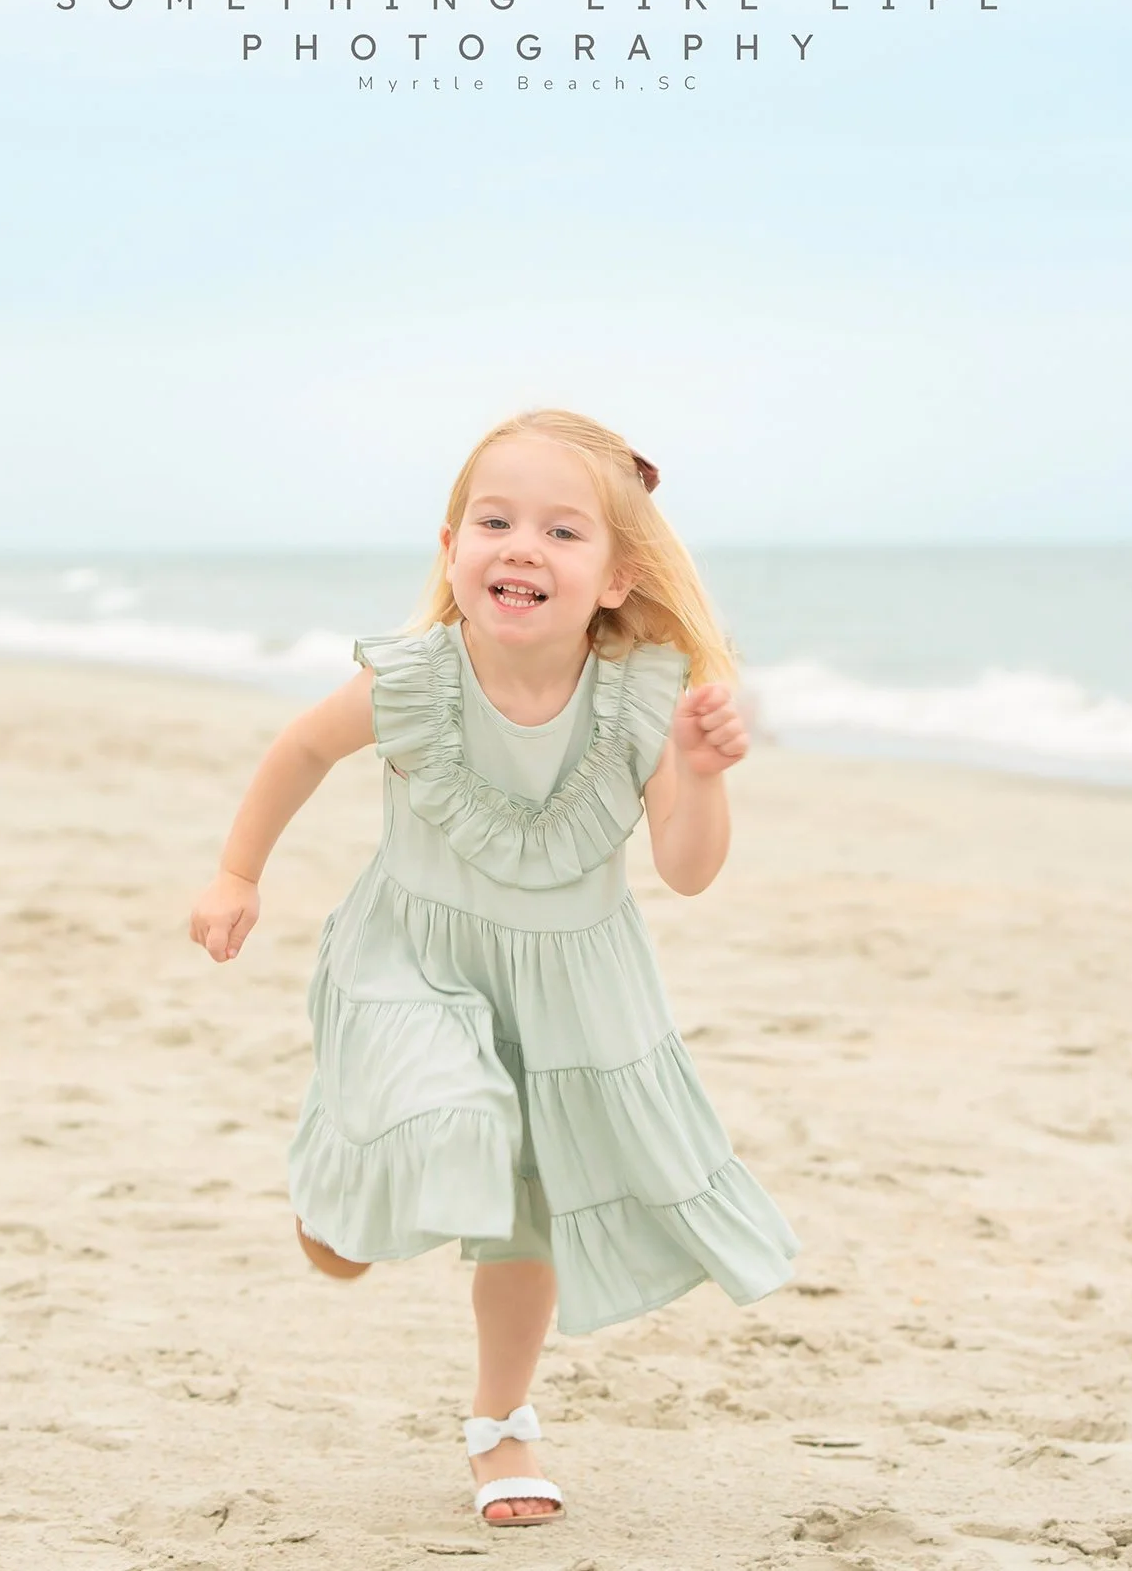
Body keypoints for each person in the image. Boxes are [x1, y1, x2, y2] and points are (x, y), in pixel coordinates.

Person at [186, 408, 803, 1527]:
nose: (521, 545)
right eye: (495, 520)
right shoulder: (418, 679)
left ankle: (500, 1423)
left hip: (569, 991)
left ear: (616, 578)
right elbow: (303, 749)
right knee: (456, 1111)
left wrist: (701, 777)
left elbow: (688, 869)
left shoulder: (640, 701)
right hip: (410, 957)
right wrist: (236, 873)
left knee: (527, 1208)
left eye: (563, 532)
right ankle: (343, 1190)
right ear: (450, 548)